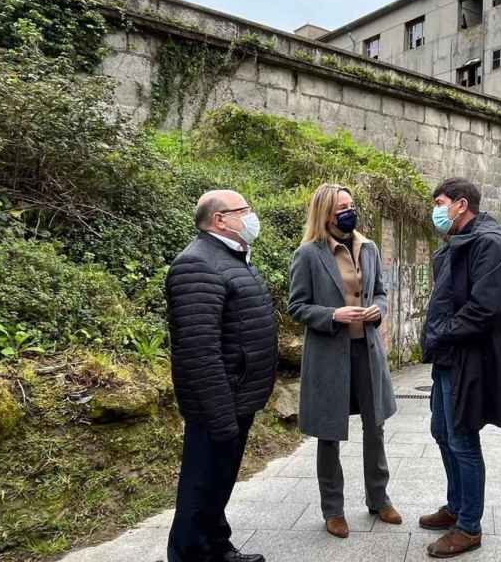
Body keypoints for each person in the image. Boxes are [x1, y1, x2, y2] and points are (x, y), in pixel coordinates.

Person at [165, 190, 277, 562]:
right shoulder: (196, 264)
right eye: (244, 210)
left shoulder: (232, 257)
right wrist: (219, 414)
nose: (251, 216)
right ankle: (188, 553)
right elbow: (198, 349)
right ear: (219, 220)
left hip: (237, 395)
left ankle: (215, 546)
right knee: (201, 484)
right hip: (219, 401)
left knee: (219, 481)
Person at [287, 183, 402, 539]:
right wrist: (333, 315)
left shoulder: (367, 247)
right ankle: (332, 509)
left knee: (376, 426)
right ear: (325, 213)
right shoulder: (308, 254)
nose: (349, 212)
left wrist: (377, 311)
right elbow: (297, 306)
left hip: (366, 353)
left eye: (351, 205)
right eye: (342, 207)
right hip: (328, 357)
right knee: (329, 434)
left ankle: (379, 499)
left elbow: (381, 293)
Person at [418, 178, 501, 558]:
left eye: (440, 202)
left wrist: (440, 333)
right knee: (442, 432)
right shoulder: (457, 243)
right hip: (448, 356)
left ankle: (469, 526)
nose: (436, 209)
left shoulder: (490, 244)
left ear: (461, 205)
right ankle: (455, 506)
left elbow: (484, 308)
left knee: (462, 439)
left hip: (471, 359)